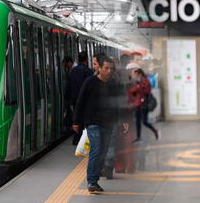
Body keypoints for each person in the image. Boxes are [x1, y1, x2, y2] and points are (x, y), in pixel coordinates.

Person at [73, 54, 128, 192]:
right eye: (106, 68)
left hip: (108, 123)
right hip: (93, 122)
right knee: (96, 150)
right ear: (100, 68)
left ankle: (95, 180)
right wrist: (76, 121)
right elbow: (80, 102)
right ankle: (91, 181)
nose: (109, 71)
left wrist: (122, 119)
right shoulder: (89, 82)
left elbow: (118, 104)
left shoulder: (114, 84)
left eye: (111, 69)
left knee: (103, 152)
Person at [68, 52, 93, 145]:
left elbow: (69, 85)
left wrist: (68, 97)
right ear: (86, 60)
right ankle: (82, 139)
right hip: (85, 100)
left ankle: (76, 138)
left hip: (75, 99)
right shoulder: (88, 71)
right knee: (85, 120)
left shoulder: (72, 71)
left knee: (77, 118)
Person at [129, 68, 159, 142]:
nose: (134, 76)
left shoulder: (145, 80)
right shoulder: (136, 81)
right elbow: (132, 91)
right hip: (138, 103)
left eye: (135, 74)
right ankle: (138, 137)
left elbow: (147, 91)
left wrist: (139, 87)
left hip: (144, 104)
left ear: (139, 74)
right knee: (138, 121)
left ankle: (155, 131)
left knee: (144, 121)